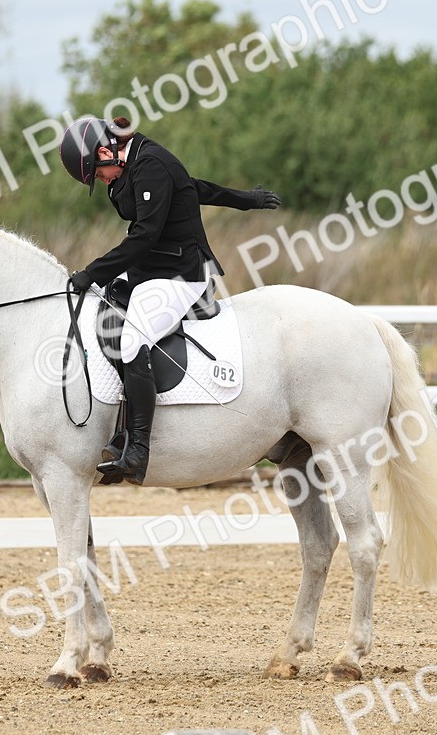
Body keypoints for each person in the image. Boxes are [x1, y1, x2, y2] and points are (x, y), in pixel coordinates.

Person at [58, 116, 281, 484]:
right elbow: (192, 187)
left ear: (105, 151)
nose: (104, 180)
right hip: (151, 269)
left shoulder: (151, 164)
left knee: (132, 340)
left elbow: (144, 235)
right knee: (106, 314)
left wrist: (92, 271)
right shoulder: (129, 165)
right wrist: (245, 199)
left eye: (99, 174)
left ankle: (138, 448)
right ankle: (120, 427)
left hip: (180, 273)